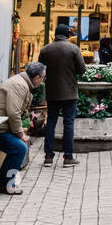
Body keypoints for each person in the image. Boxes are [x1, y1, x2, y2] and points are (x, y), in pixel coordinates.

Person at [0, 62, 45, 194]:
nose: (43, 80)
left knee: (18, 148)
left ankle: (2, 183)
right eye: (43, 77)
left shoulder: (21, 83)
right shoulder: (19, 85)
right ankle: (6, 184)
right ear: (36, 77)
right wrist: (20, 134)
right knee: (19, 148)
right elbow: (13, 112)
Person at [38, 21, 86, 167]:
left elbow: (40, 70)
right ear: (67, 35)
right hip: (70, 93)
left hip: (52, 92)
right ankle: (68, 157)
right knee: (68, 124)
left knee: (51, 123)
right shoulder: (74, 49)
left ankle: (48, 156)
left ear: (55, 35)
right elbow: (82, 70)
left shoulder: (46, 50)